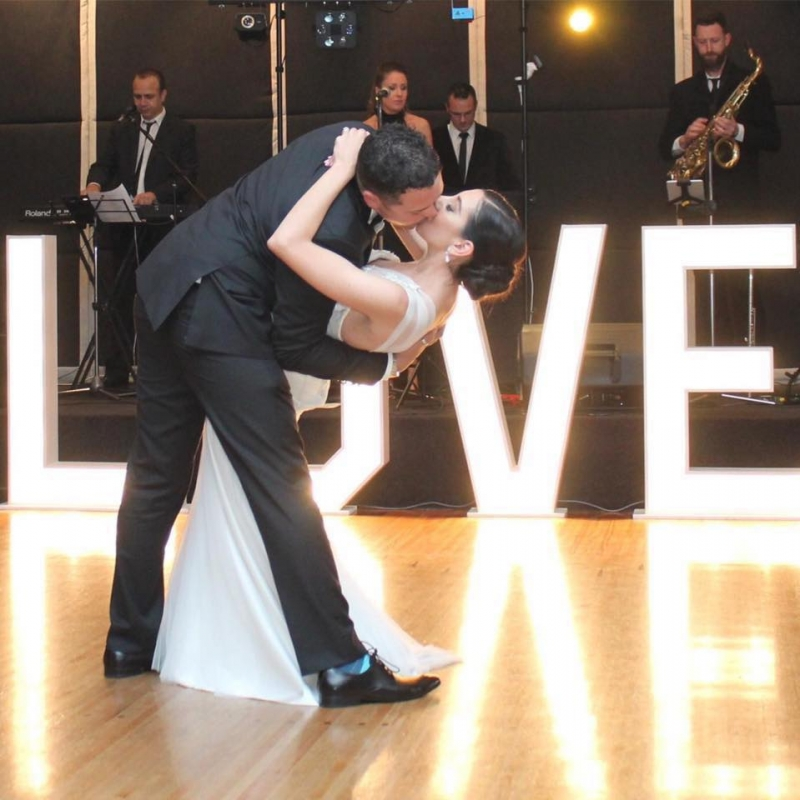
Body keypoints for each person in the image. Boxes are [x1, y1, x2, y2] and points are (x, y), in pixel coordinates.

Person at [152, 128, 525, 703]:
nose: (437, 202)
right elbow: (408, 219)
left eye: (450, 205)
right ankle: (281, 645)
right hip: (269, 363)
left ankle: (281, 650)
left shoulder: (408, 297)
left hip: (274, 371)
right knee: (249, 512)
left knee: (264, 510)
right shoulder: (431, 274)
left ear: (461, 249)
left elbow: (288, 242)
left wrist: (343, 169)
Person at [104, 122, 447, 709]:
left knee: (155, 478)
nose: (430, 214)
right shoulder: (333, 231)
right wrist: (383, 366)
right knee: (284, 489)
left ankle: (127, 645)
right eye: (418, 211)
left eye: (437, 198)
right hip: (219, 314)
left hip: (166, 281)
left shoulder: (350, 140)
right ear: (372, 196)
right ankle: (343, 666)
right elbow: (295, 343)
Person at [658, 11, 780, 345]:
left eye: (714, 41)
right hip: (699, 203)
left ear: (727, 40)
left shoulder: (753, 83)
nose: (709, 48)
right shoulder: (683, 92)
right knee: (706, 288)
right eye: (702, 42)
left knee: (743, 285)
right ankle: (709, 355)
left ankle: (749, 352)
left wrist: (737, 130)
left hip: (742, 202)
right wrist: (685, 139)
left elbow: (773, 139)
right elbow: (664, 147)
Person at [82, 68, 198, 389]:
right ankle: (116, 372)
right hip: (122, 225)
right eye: (137, 97)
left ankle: (161, 372)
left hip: (159, 228)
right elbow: (103, 165)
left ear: (163, 95)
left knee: (160, 298)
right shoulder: (123, 128)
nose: (142, 103)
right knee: (117, 297)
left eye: (149, 97)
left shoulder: (181, 130)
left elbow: (187, 175)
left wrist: (155, 194)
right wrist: (94, 185)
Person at [432, 82, 520, 195]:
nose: (463, 120)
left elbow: (509, 184)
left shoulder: (495, 140)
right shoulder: (434, 139)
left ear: (475, 107)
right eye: (456, 114)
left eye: (468, 113)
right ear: (447, 108)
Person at [364, 61, 433, 145]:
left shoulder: (420, 126)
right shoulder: (366, 128)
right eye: (392, 88)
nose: (399, 94)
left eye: (403, 88)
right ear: (378, 91)